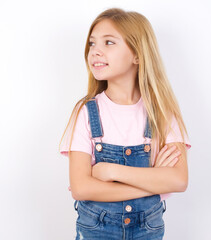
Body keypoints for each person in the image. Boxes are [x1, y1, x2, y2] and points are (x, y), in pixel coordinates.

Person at [59, 7, 191, 240]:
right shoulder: (86, 112)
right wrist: (153, 181)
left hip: (147, 230)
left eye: (109, 43)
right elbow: (81, 188)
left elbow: (178, 181)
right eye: (92, 43)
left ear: (137, 54)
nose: (95, 51)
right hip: (96, 231)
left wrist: (110, 171)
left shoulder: (161, 112)